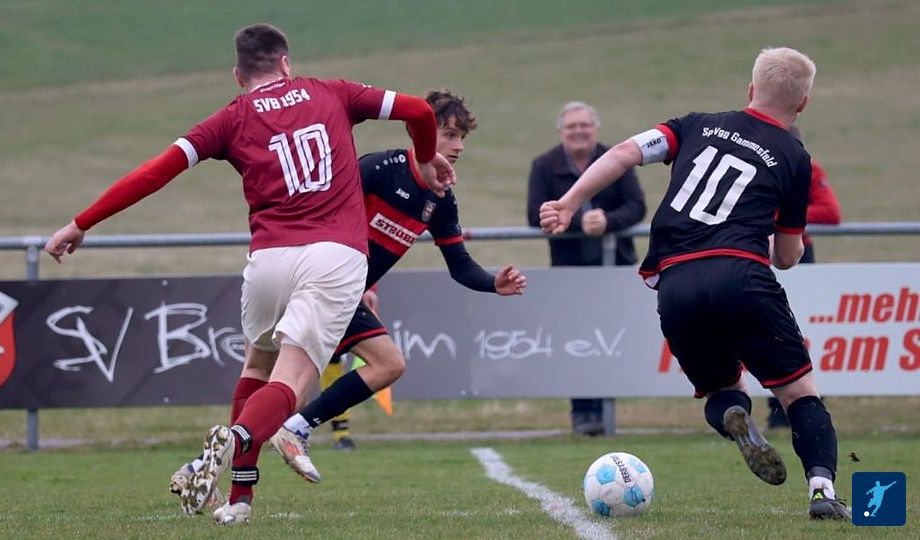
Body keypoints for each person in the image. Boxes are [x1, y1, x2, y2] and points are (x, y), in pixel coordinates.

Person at [45, 23, 455, 525]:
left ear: (238, 76)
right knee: (293, 383)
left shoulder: (229, 118)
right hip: (333, 256)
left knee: (257, 368)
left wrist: (80, 223)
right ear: (286, 63)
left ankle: (240, 499)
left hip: (268, 264)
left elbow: (155, 172)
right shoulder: (332, 92)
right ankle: (236, 438)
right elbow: (418, 111)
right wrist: (426, 156)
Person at [540, 47, 850, 520]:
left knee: (722, 388)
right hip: (742, 276)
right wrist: (773, 239)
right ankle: (822, 491)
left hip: (676, 282)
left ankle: (734, 414)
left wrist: (568, 202)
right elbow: (788, 257)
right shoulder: (795, 156)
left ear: (751, 89)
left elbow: (623, 153)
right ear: (803, 104)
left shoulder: (695, 125)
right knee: (799, 393)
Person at [271, 89, 528, 483]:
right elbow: (321, 214)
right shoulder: (380, 169)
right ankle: (272, 440)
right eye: (449, 134)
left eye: (462, 137)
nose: (458, 146)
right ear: (418, 131)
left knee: (371, 368)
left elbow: (460, 266)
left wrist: (495, 283)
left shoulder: (440, 199)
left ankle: (269, 440)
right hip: (317, 286)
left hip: (344, 296)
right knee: (288, 383)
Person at [526, 101, 646, 436]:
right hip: (570, 270)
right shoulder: (544, 165)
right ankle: (582, 414)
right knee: (576, 340)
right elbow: (533, 213)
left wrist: (608, 221)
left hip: (616, 267)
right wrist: (579, 220)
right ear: (561, 131)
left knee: (614, 338)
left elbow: (637, 206)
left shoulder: (617, 159)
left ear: (595, 128)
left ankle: (608, 411)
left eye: (584, 125)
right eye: (571, 126)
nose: (578, 131)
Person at [766, 123, 841, 429]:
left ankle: (801, 404)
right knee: (769, 330)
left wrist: (786, 220)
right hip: (755, 257)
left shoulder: (808, 170)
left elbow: (831, 213)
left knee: (797, 329)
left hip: (796, 256)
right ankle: (779, 405)